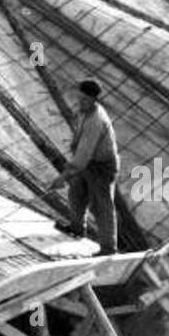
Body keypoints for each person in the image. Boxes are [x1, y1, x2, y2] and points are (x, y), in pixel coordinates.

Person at [58, 79, 119, 255]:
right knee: (76, 193)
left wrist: (62, 177)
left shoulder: (96, 121)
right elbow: (80, 145)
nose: (80, 102)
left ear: (94, 99)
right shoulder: (85, 110)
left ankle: (109, 248)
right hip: (88, 162)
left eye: (84, 100)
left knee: (101, 206)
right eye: (79, 98)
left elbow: (83, 156)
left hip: (102, 166)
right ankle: (77, 229)